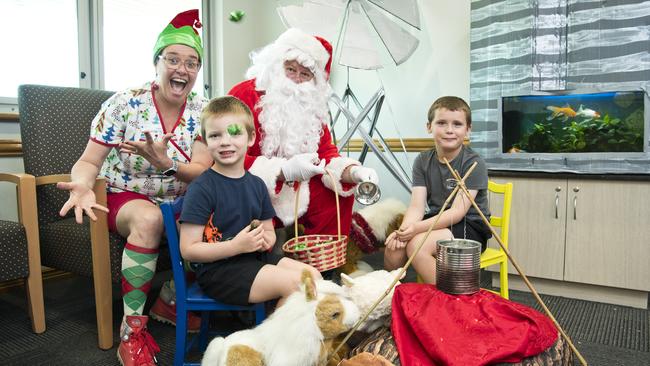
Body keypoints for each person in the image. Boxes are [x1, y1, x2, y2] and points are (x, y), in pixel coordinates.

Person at [56, 9, 211, 366]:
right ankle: (132, 331)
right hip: (127, 195)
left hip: (179, 199)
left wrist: (166, 164)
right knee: (150, 219)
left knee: (217, 215)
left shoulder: (203, 111)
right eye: (173, 59)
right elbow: (89, 162)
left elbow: (201, 171)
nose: (182, 69)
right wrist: (80, 185)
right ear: (157, 62)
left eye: (191, 63)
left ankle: (170, 301)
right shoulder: (126, 104)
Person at [228, 28, 379, 258]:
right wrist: (280, 171)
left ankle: (321, 266)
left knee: (336, 194)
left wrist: (354, 171)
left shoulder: (313, 106)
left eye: (305, 74)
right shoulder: (243, 94)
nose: (297, 80)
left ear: (315, 80)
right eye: (290, 69)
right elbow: (226, 157)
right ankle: (257, 267)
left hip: (293, 191)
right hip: (247, 187)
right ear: (276, 67)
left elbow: (326, 152)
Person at [179, 96, 322, 309]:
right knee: (297, 285)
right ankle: (273, 341)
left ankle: (281, 333)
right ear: (206, 142)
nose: (225, 141)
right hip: (219, 271)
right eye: (215, 135)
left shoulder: (256, 184)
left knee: (313, 276)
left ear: (251, 137)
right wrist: (235, 246)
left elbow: (268, 231)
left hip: (255, 259)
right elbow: (188, 250)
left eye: (234, 132)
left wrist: (267, 240)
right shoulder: (202, 188)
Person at [383, 96, 491, 284]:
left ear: (468, 130)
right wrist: (404, 230)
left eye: (457, 124)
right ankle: (392, 299)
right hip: (437, 219)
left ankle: (447, 301)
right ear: (429, 127)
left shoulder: (474, 163)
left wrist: (416, 229)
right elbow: (417, 207)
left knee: (418, 245)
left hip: (469, 226)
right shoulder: (423, 160)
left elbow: (457, 212)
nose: (449, 130)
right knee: (395, 247)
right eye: (441, 123)